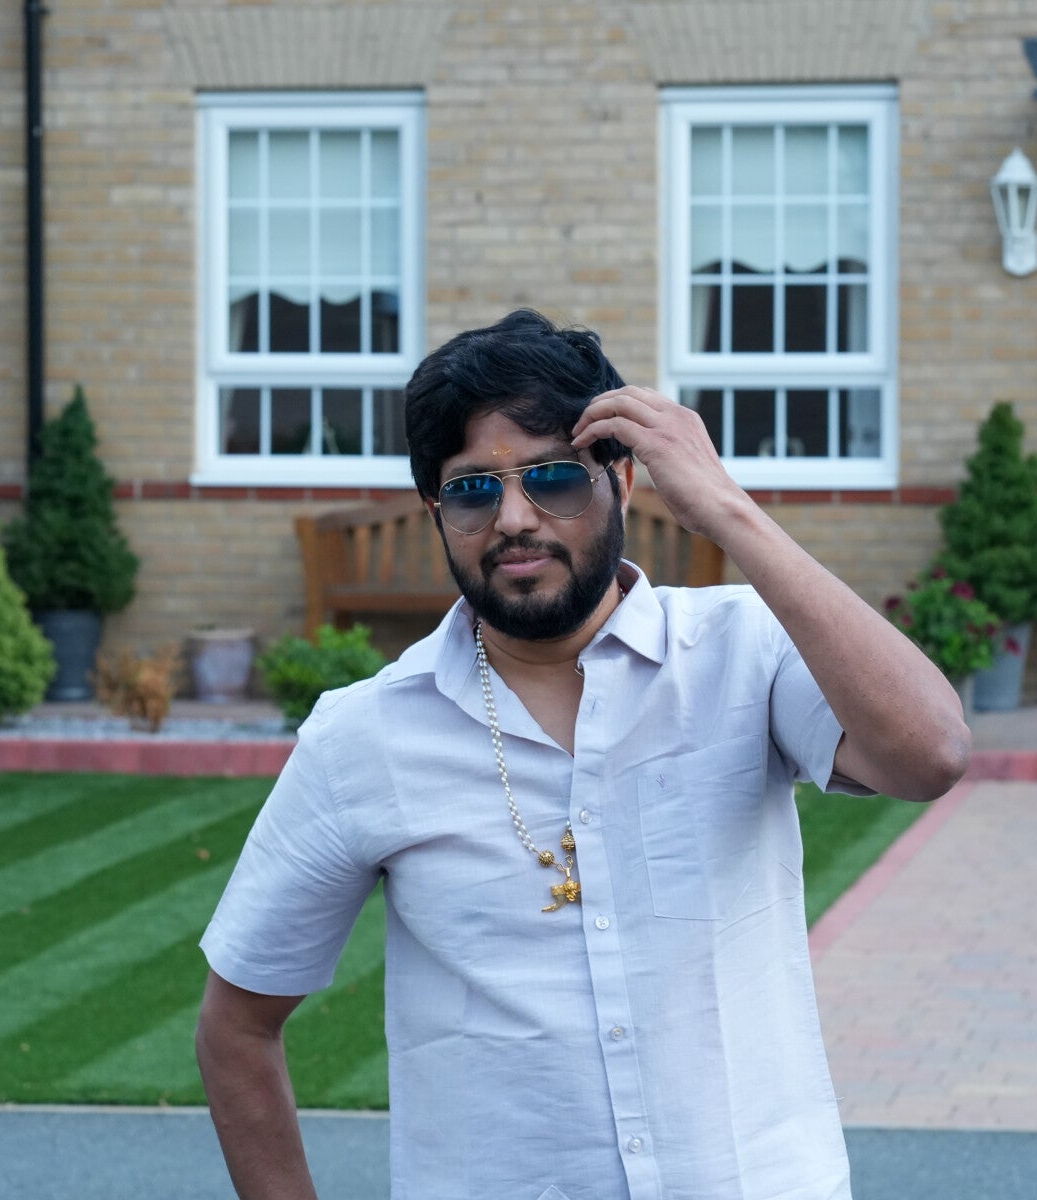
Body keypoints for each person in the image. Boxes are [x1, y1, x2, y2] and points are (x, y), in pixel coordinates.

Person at [195, 308, 970, 1200]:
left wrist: (727, 510)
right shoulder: (364, 735)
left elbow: (931, 753)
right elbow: (236, 1025)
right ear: (437, 511)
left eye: (554, 478)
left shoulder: (741, 653)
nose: (514, 519)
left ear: (623, 479)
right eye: (472, 491)